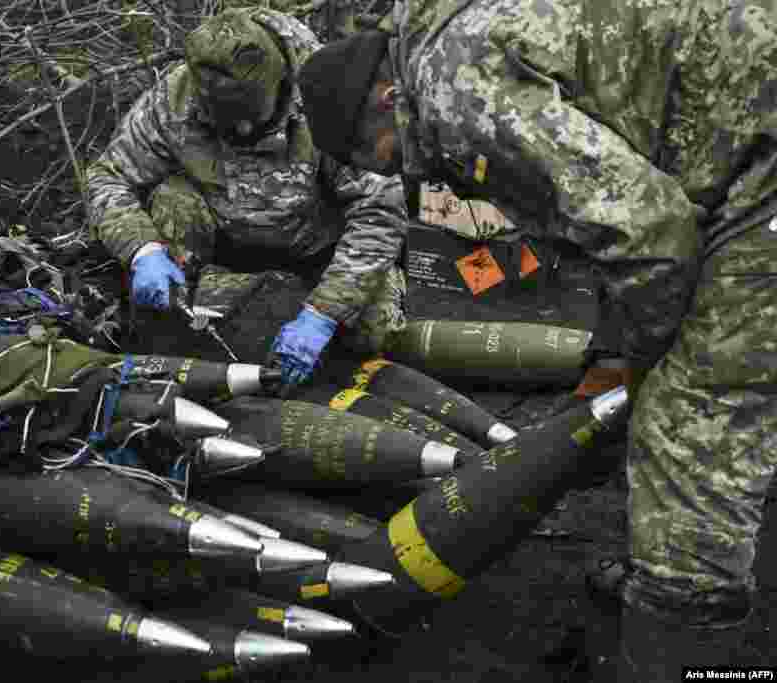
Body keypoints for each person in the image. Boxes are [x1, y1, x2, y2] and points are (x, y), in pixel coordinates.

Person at [296, 0, 776, 679]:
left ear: (383, 98)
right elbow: (615, 217)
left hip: (757, 165)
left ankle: (682, 623)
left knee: (693, 428)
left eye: (369, 155)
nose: (388, 173)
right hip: (733, 132)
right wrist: (613, 353)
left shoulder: (450, 94)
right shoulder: (445, 44)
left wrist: (638, 360)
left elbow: (650, 235)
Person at [84, 7, 409, 386]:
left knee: (375, 330)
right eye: (227, 119)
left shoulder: (329, 94)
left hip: (320, 245)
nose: (241, 129)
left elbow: (380, 211)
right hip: (225, 240)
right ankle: (171, 342)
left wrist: (324, 313)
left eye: (252, 116)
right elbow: (107, 177)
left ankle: (313, 338)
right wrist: (143, 251)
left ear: (281, 84)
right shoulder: (173, 100)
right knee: (173, 201)